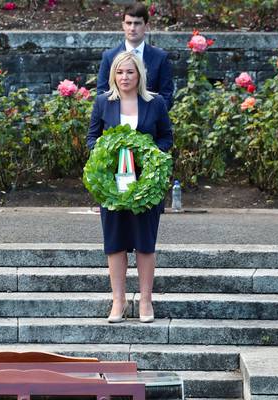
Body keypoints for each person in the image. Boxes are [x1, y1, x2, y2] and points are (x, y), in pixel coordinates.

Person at [87, 51, 173, 323]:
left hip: (146, 187)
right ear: (113, 75)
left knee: (145, 244)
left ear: (139, 75)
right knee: (115, 244)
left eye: (130, 72)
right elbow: (92, 138)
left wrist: (148, 154)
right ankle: (118, 302)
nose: (125, 77)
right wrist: (106, 156)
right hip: (113, 186)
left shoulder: (155, 103)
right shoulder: (103, 102)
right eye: (120, 72)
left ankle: (146, 301)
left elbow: (166, 138)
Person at [96, 3, 174, 110]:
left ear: (146, 26)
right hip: (117, 122)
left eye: (137, 23)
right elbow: (102, 93)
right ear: (123, 25)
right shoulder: (109, 57)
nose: (132, 28)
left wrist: (153, 118)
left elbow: (166, 95)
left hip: (151, 123)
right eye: (129, 23)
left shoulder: (160, 58)